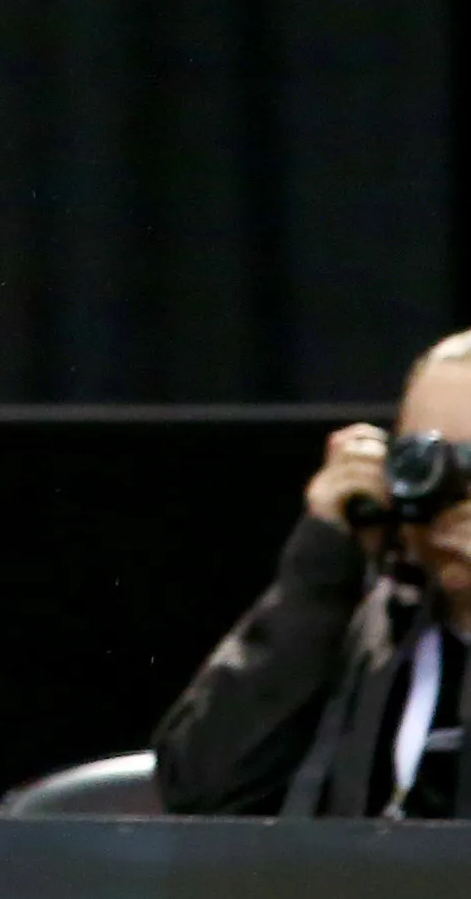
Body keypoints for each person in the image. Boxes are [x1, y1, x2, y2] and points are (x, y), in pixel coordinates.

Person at [152, 335, 471, 817]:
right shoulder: (369, 627)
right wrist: (320, 572)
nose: (455, 496)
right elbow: (199, 795)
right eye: (426, 461)